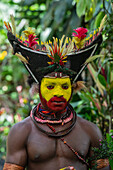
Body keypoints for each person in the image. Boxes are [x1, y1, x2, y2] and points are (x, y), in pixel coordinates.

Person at [3, 21, 110, 170]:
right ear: (38, 89)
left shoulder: (91, 130)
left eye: (65, 86)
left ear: (73, 89)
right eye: (50, 86)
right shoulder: (21, 131)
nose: (58, 93)